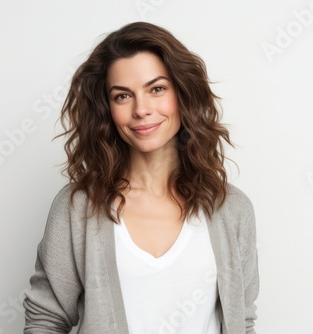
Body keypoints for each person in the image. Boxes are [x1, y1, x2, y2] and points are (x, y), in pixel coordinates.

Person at [23, 21, 259, 334]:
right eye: (123, 96)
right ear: (107, 108)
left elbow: (241, 321)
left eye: (157, 89)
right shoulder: (77, 208)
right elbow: (46, 320)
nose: (141, 110)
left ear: (182, 94)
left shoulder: (230, 208)